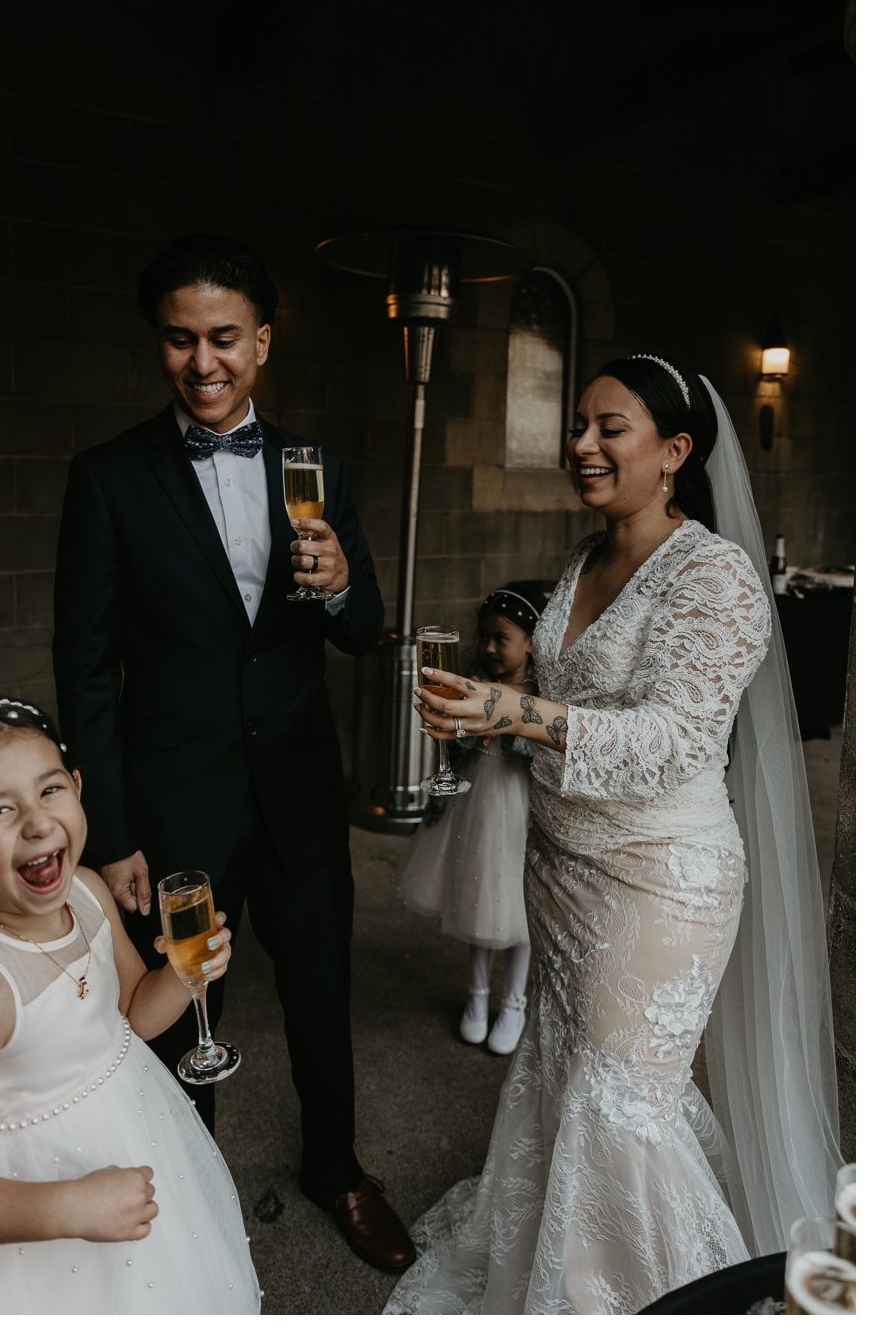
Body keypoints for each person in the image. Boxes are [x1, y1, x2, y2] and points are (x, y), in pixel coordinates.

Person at [388, 356, 842, 1314]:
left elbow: (675, 742)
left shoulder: (714, 578)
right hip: (560, 868)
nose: (582, 445)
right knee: (570, 1071)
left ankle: (660, 1299)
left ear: (676, 452)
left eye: (610, 428)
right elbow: (566, 699)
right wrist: (487, 713)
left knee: (620, 1102)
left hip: (658, 877)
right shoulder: (585, 558)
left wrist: (514, 712)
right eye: (579, 426)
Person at [51, 233, 409, 1269]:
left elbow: (358, 625)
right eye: (176, 339)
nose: (200, 362)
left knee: (317, 983)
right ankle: (188, 1184)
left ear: (261, 340)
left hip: (297, 781)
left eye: (220, 338)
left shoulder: (318, 467)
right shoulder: (108, 479)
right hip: (173, 797)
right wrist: (106, 828)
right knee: (180, 997)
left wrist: (340, 578)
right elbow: (85, 670)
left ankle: (334, 1165)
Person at [0, 698, 261, 1314]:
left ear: (78, 788)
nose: (38, 824)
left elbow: (132, 1015)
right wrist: (70, 1206)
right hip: (31, 1210)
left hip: (133, 1129)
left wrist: (181, 975)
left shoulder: (89, 893)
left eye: (49, 791)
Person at [395, 581, 551, 1055]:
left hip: (520, 798)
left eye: (500, 638)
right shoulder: (472, 675)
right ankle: (478, 994)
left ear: (530, 642)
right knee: (480, 892)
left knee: (519, 903)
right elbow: (455, 738)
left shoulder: (543, 689)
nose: (487, 647)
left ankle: (514, 999)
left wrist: (506, 723)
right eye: (483, 636)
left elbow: (544, 748)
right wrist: (461, 731)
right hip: (479, 795)